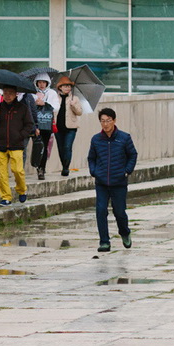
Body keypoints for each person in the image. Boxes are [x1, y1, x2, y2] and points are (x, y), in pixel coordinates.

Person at [87, 108, 138, 252]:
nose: (105, 124)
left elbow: (132, 155)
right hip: (101, 182)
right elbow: (91, 158)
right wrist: (94, 171)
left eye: (108, 120)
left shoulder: (124, 137)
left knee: (119, 212)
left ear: (114, 121)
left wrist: (126, 171)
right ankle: (104, 241)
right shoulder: (96, 139)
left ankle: (125, 233)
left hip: (119, 182)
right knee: (101, 210)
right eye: (102, 121)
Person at [0, 86, 33, 206]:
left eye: (10, 93)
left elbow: (29, 125)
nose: (7, 95)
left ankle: (22, 190)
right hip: (1, 144)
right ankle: (5, 197)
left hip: (16, 144)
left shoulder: (22, 108)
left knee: (18, 170)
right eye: (5, 93)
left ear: (16, 94)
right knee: (2, 174)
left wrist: (20, 135)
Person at [32, 73, 60, 180]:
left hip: (47, 124)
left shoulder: (52, 93)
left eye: (44, 82)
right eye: (39, 82)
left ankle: (41, 169)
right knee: (37, 146)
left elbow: (56, 107)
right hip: (36, 123)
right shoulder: (33, 93)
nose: (42, 84)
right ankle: (37, 165)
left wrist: (44, 103)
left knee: (44, 146)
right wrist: (36, 102)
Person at [53, 76, 83, 177]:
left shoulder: (75, 98)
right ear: (60, 87)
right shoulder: (55, 98)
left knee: (67, 147)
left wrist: (73, 105)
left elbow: (79, 112)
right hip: (57, 127)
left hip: (71, 127)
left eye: (69, 86)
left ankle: (66, 168)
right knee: (61, 148)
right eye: (65, 86)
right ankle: (63, 165)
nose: (68, 88)